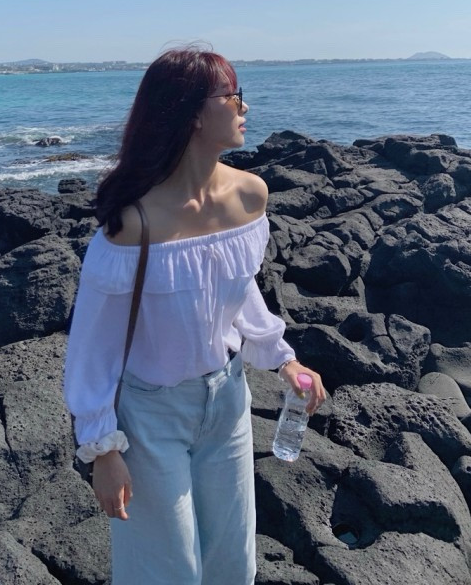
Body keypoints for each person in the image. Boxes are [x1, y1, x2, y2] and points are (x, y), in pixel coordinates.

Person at [64, 46, 325, 585]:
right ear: (192, 114)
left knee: (233, 564)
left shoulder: (249, 196)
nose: (244, 107)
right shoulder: (132, 223)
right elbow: (91, 347)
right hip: (149, 416)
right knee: (165, 572)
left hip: (227, 401)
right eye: (232, 96)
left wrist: (284, 360)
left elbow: (240, 290)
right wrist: (102, 449)